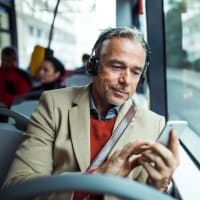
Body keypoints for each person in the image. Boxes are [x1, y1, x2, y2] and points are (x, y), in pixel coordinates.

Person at [4, 27, 179, 199]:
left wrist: (158, 187)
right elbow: (18, 187)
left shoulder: (153, 124)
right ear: (93, 66)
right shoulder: (54, 104)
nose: (126, 80)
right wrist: (99, 176)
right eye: (117, 67)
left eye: (135, 72)